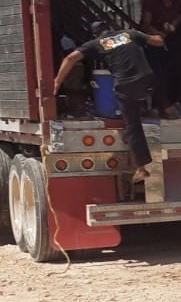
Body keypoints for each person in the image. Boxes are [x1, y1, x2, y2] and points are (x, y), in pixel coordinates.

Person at [52, 21, 165, 182]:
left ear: (95, 34)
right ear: (111, 29)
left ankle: (141, 169)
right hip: (147, 81)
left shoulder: (96, 43)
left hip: (125, 86)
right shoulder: (130, 33)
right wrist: (158, 34)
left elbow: (70, 58)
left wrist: (57, 82)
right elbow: (158, 41)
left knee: (133, 125)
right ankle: (163, 108)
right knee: (156, 75)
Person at [140, 0, 181, 118]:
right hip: (152, 41)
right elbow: (146, 24)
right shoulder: (151, 2)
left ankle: (159, 105)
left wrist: (172, 26)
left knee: (172, 71)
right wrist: (159, 34)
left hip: (168, 39)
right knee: (158, 73)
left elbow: (179, 16)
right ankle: (163, 106)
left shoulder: (176, 0)